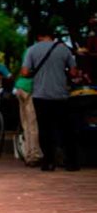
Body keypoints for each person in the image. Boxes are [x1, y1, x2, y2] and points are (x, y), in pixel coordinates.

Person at [21, 27, 79, 171]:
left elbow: (25, 72)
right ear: (52, 36)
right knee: (65, 128)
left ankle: (48, 162)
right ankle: (71, 162)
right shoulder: (64, 49)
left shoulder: (32, 50)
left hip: (40, 95)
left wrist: (36, 72)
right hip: (61, 95)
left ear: (39, 36)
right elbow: (74, 73)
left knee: (45, 129)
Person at [14, 48, 43, 166]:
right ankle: (34, 155)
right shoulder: (38, 51)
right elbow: (25, 71)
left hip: (20, 87)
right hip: (30, 88)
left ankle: (28, 154)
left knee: (26, 124)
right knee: (33, 124)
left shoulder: (29, 50)